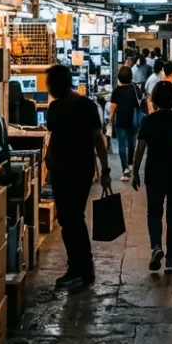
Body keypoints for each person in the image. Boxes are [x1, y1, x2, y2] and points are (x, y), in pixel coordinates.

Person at [45, 64, 112, 289]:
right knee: (69, 219)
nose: (49, 88)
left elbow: (98, 139)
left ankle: (80, 268)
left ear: (59, 83)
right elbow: (96, 139)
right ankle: (81, 267)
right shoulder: (84, 105)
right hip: (73, 169)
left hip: (74, 170)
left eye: (50, 83)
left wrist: (106, 170)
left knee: (72, 218)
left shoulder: (71, 106)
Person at [130, 81, 172, 274]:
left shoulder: (148, 120)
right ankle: (171, 260)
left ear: (154, 99)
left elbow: (140, 148)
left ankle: (156, 246)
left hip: (154, 172)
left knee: (154, 213)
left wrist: (135, 171)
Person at [109, 66, 145, 182]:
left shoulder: (117, 91)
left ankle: (125, 169)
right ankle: (130, 164)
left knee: (121, 145)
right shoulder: (135, 88)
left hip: (120, 121)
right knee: (132, 143)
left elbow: (113, 108)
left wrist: (110, 120)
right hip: (133, 120)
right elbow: (140, 101)